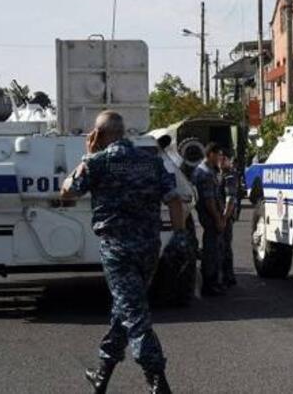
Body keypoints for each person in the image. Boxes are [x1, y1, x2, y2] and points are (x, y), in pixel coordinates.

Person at [60, 110, 185, 394]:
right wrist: (178, 237)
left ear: (98, 135)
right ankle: (102, 374)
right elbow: (175, 200)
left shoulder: (98, 162)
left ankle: (157, 380)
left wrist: (87, 157)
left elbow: (67, 193)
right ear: (124, 131)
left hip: (117, 251)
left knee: (135, 314)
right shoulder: (150, 161)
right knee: (126, 308)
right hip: (149, 248)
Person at [191, 142, 226, 296]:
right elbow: (209, 200)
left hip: (209, 215)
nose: (220, 158)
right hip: (210, 216)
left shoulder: (203, 170)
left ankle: (212, 282)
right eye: (218, 154)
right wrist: (218, 219)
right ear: (211, 154)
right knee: (211, 250)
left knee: (213, 249)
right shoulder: (205, 173)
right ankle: (209, 284)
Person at [219, 151, 238, 287]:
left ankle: (228, 276)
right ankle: (226, 275)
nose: (220, 160)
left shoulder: (229, 176)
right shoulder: (220, 174)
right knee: (223, 246)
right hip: (222, 216)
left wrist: (224, 218)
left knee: (225, 247)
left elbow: (230, 199)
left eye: (223, 158)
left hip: (225, 216)